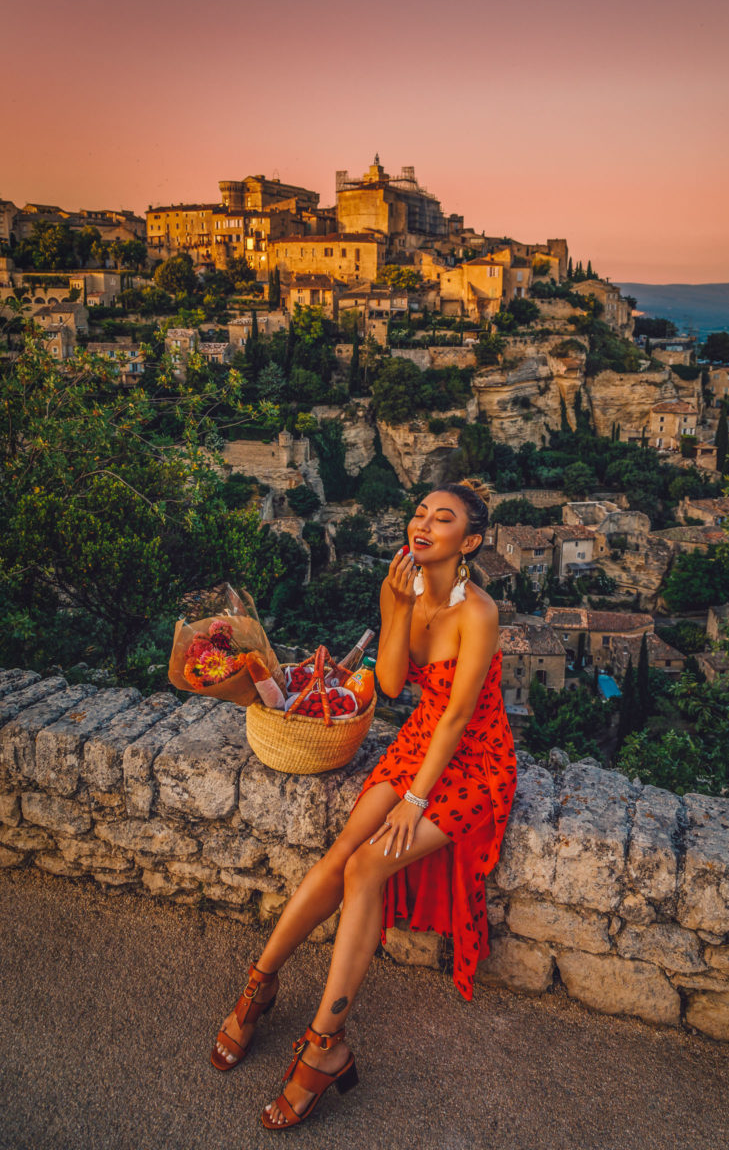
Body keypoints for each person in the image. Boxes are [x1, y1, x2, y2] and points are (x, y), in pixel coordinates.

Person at [210, 476, 518, 1130]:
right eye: (419, 513)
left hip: (471, 759)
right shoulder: (400, 588)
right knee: (342, 853)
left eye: (443, 518)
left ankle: (324, 1046)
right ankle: (261, 981)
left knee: (367, 868)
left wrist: (413, 799)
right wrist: (396, 609)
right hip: (417, 740)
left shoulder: (478, 612)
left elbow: (460, 715)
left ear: (471, 541)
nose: (424, 524)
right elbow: (395, 683)